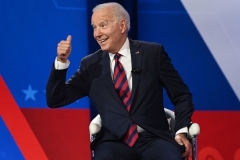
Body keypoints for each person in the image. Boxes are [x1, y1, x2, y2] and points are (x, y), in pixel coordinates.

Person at [46, 2, 194, 160]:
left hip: (155, 139)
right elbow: (56, 99)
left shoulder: (152, 54)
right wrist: (61, 62)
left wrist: (181, 132)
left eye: (103, 25)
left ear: (122, 25)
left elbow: (182, 95)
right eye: (94, 27)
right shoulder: (90, 65)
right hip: (114, 142)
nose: (97, 33)